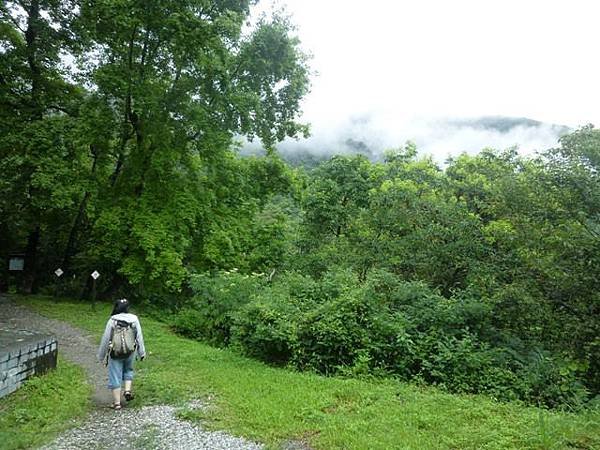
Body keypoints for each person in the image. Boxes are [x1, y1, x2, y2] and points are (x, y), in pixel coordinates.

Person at [97, 298, 146, 410]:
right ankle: (127, 390)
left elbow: (106, 339)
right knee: (128, 370)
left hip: (115, 352)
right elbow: (139, 337)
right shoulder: (134, 319)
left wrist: (101, 356)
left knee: (115, 375)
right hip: (130, 351)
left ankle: (117, 403)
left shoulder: (112, 320)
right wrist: (141, 352)